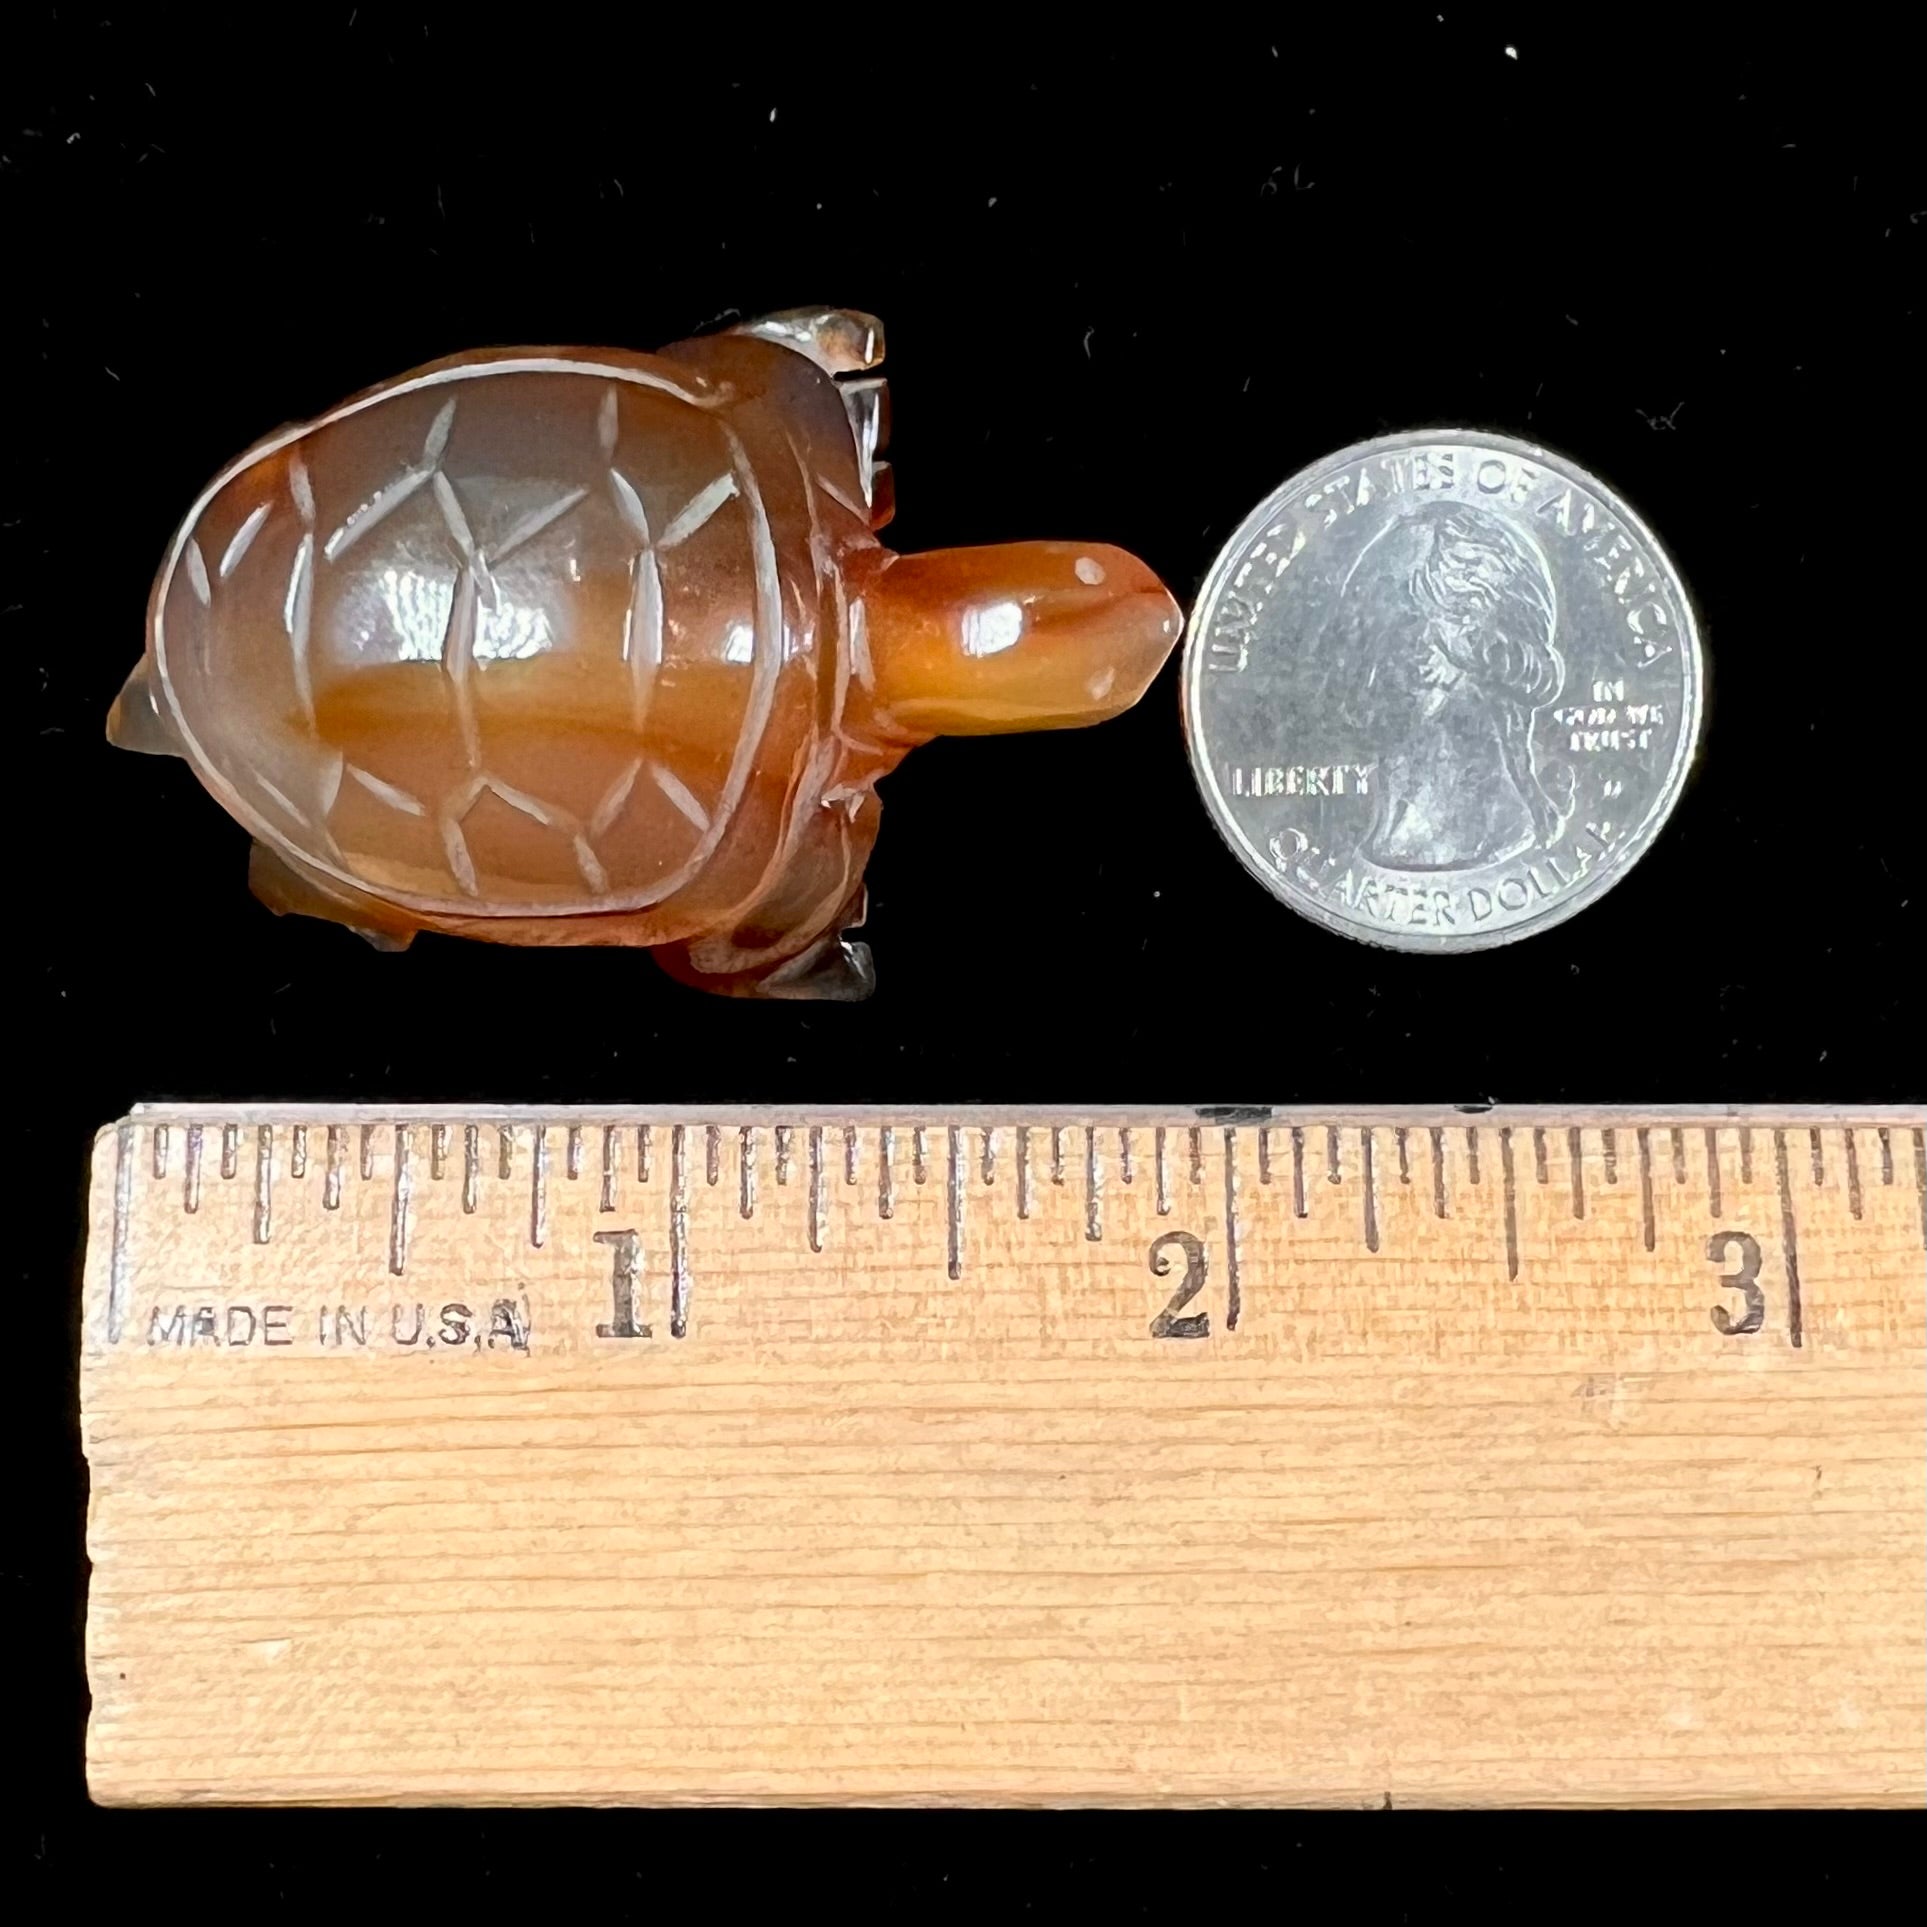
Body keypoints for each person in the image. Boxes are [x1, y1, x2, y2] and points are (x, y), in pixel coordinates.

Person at [1331, 500, 1573, 870]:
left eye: (1401, 633)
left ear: (1476, 648)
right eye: (1361, 632)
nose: (1363, 667)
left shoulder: (1485, 831)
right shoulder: (1392, 830)